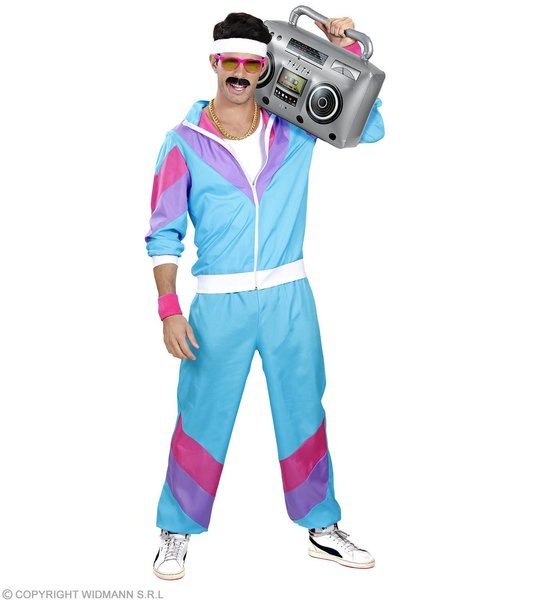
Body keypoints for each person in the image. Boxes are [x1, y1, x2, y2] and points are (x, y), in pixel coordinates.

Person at [145, 12, 385, 580]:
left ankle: (321, 527)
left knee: (304, 411)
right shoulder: (183, 142)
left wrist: (343, 53)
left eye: (251, 63)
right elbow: (163, 232)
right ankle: (176, 530)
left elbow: (370, 128)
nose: (240, 72)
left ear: (263, 68)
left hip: (288, 298)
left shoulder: (294, 128)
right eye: (230, 61)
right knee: (201, 416)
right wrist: (168, 308)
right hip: (218, 306)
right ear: (215, 63)